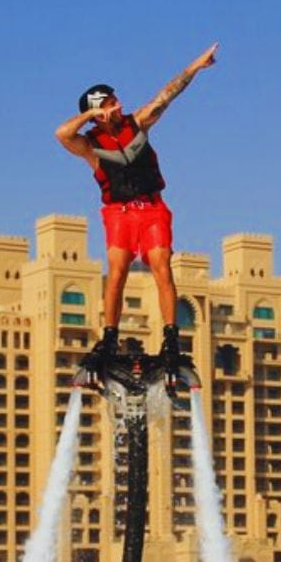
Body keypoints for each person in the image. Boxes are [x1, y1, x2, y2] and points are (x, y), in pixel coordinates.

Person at [56, 43, 218, 393]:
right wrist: (93, 113)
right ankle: (109, 339)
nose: (118, 105)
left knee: (162, 266)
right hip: (119, 214)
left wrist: (195, 66)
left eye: (116, 100)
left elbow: (166, 96)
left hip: (153, 209)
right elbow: (62, 133)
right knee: (117, 272)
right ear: (98, 113)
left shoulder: (138, 123)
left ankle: (170, 339)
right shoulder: (90, 145)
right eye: (110, 103)